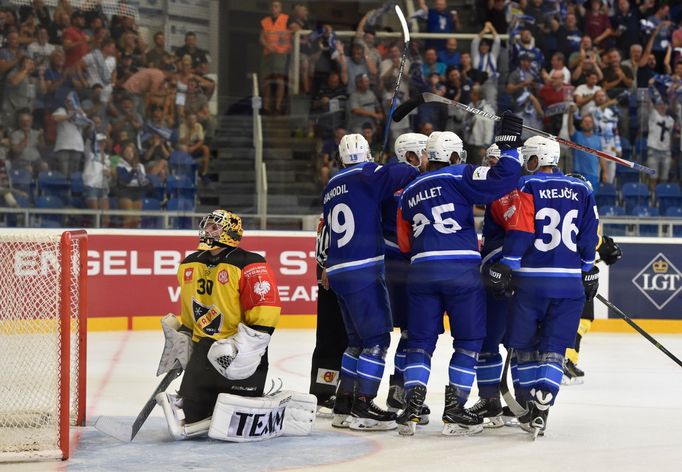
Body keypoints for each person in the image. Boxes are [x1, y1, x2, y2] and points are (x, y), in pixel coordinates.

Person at [394, 113, 524, 437]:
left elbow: (404, 242)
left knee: (420, 343)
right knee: (468, 342)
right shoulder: (460, 174)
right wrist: (509, 144)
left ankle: (412, 407)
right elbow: (505, 176)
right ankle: (454, 410)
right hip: (461, 270)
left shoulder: (409, 191)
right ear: (452, 156)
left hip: (421, 271)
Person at [486, 135, 600, 437]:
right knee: (554, 350)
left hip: (531, 282)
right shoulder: (582, 188)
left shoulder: (527, 186)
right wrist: (588, 269)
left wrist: (507, 265)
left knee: (523, 349)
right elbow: (589, 237)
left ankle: (527, 408)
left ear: (535, 159)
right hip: (569, 285)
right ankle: (545, 397)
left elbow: (521, 230)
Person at [155, 210, 290, 441]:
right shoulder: (189, 263)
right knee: (195, 414)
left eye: (214, 227)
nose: (207, 231)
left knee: (236, 420)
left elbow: (264, 309)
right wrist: (184, 335)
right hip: (203, 350)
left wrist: (247, 351)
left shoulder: (250, 263)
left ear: (230, 232)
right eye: (207, 226)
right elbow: (189, 309)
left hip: (236, 351)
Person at [320, 133, 418, 431]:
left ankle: (343, 403)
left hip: (337, 270)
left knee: (356, 342)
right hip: (363, 268)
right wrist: (391, 164)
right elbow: (407, 170)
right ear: (366, 154)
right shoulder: (368, 173)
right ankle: (364, 405)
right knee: (377, 340)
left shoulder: (331, 185)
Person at [382, 133, 429, 421]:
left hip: (394, 264)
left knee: (407, 331)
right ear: (410, 155)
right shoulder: (414, 182)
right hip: (403, 265)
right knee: (411, 331)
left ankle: (396, 389)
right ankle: (395, 388)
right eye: (423, 152)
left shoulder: (386, 178)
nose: (427, 157)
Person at [561, 173, 623, 385]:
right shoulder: (582, 207)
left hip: (571, 273)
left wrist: (604, 248)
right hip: (575, 275)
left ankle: (567, 360)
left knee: (581, 321)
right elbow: (589, 240)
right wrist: (604, 246)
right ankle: (563, 360)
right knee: (575, 321)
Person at [259, 1, 291, 114]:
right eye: (272, 6)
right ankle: (266, 106)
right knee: (267, 79)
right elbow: (261, 37)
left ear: (280, 8)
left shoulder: (286, 19)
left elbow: (295, 29)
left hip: (280, 53)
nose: (274, 8)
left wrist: (286, 37)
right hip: (268, 53)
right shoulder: (265, 21)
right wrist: (267, 45)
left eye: (276, 6)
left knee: (279, 79)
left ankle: (277, 106)